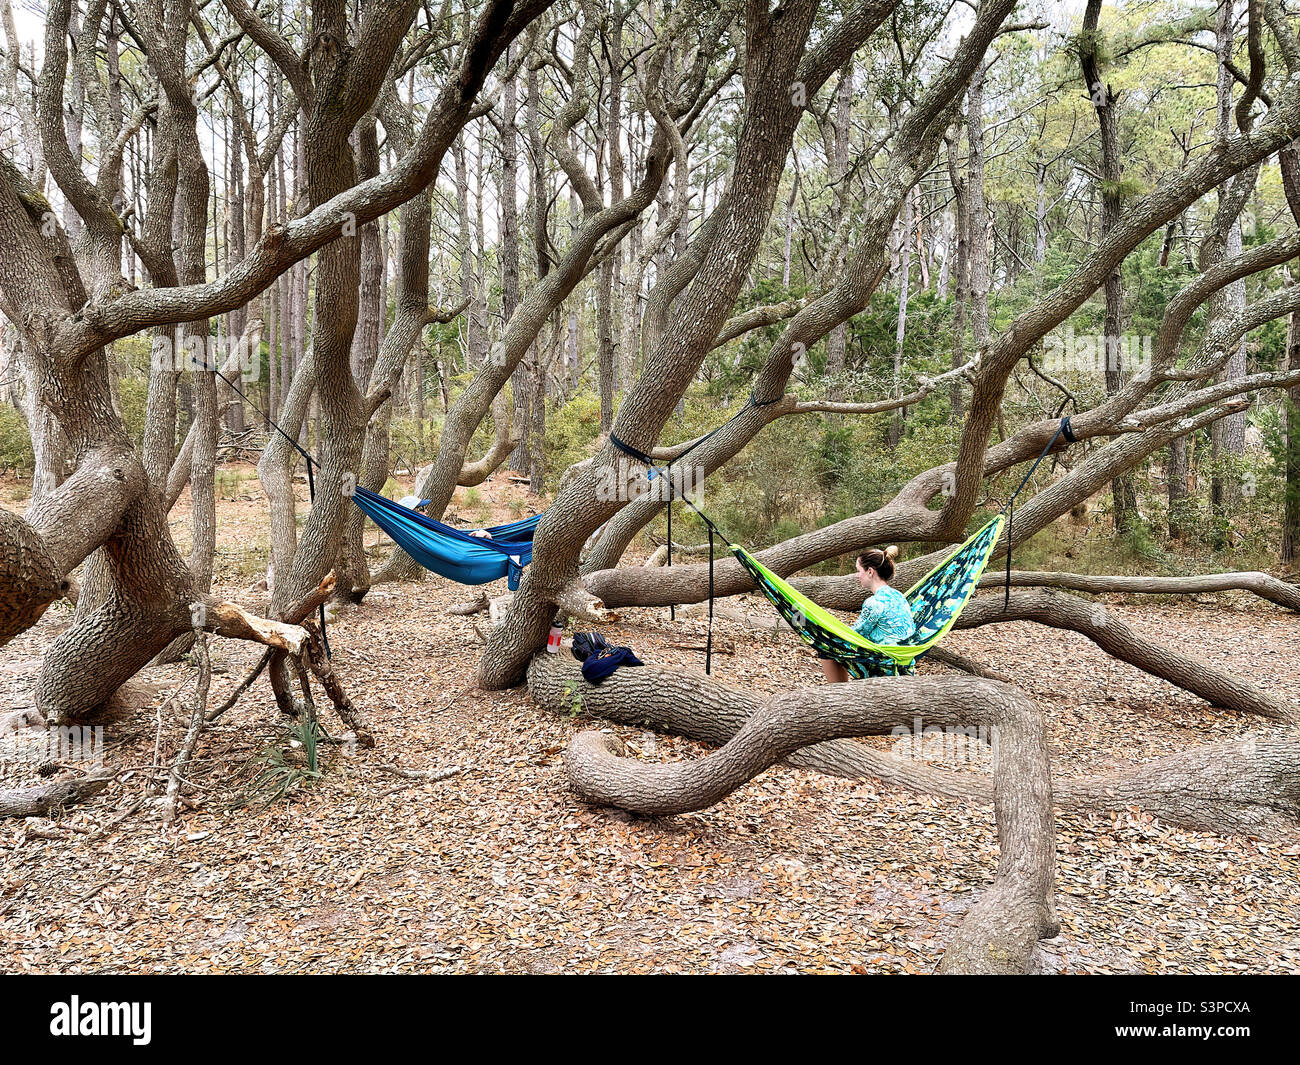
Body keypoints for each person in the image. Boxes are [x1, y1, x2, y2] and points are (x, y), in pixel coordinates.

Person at [818, 545, 915, 683]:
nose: (857, 576)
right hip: (904, 663)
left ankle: (840, 695)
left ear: (870, 571)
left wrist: (824, 629)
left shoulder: (874, 603)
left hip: (884, 664)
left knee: (826, 647)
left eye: (859, 571)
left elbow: (854, 636)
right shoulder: (899, 596)